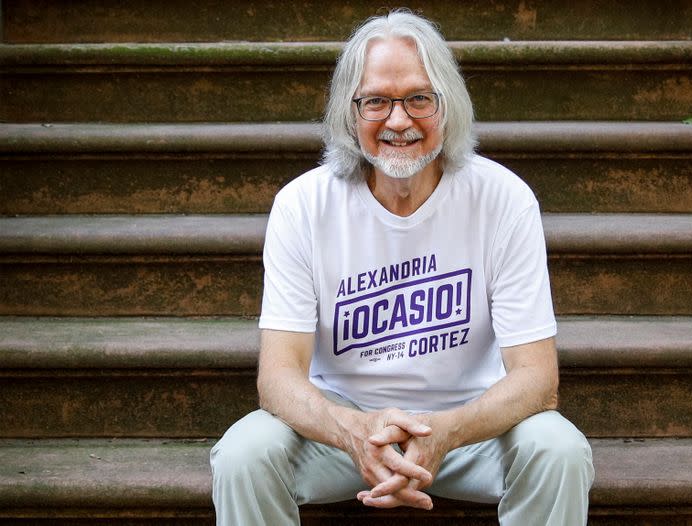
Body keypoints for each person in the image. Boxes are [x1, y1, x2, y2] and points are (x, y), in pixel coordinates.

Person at [210, 9, 594, 525]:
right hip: (340, 432)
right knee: (243, 455)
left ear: (447, 104)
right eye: (376, 102)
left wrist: (446, 432)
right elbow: (278, 377)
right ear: (350, 113)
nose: (398, 120)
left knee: (560, 450)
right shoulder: (303, 205)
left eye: (418, 98)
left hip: (472, 430)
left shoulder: (503, 199)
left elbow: (537, 378)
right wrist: (353, 430)